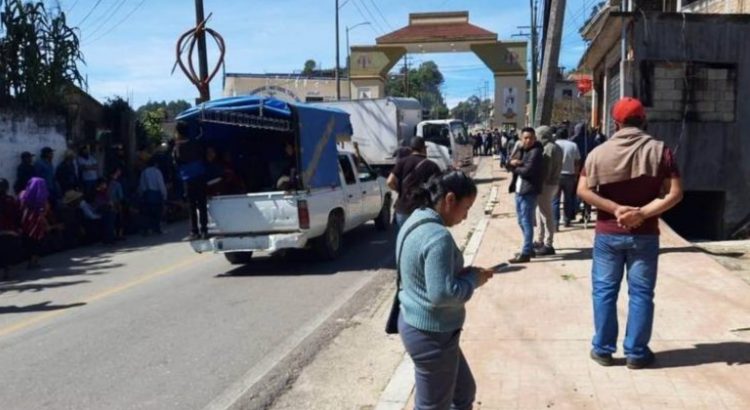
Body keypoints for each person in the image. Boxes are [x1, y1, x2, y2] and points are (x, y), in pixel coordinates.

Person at [577, 97, 683, 369]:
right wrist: (641, 214)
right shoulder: (661, 151)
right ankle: (636, 353)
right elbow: (675, 194)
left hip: (607, 234)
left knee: (604, 292)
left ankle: (602, 350)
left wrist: (614, 208)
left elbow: (582, 190)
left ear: (615, 123)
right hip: (645, 234)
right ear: (644, 120)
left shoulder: (598, 153)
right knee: (641, 294)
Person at [396, 171, 493, 410]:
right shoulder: (438, 236)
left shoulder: (415, 218)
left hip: (423, 327)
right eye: (466, 207)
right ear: (450, 199)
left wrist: (461, 274)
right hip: (431, 336)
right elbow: (442, 295)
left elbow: (424, 273)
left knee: (463, 392)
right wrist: (473, 280)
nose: (466, 215)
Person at [387, 137, 441, 231]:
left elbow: (389, 181)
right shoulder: (432, 165)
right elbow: (439, 189)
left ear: (411, 149)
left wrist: (399, 190)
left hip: (402, 209)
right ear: (424, 148)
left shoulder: (401, 162)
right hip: (423, 211)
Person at [508, 127, 543, 263]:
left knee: (526, 221)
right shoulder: (522, 150)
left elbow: (527, 171)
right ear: (521, 139)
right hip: (519, 190)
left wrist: (516, 165)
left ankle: (526, 252)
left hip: (529, 191)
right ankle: (529, 247)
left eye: (530, 138)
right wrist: (513, 163)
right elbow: (508, 163)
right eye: (525, 138)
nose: (528, 140)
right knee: (520, 221)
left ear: (535, 139)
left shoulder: (536, 152)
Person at [173, 121, 208, 239]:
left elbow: (176, 163)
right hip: (200, 176)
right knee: (202, 204)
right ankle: (204, 230)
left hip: (188, 178)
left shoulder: (177, 148)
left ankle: (194, 231)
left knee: (192, 206)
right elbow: (203, 156)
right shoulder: (196, 143)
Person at [534, 126, 563, 256]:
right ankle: (540, 240)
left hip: (546, 184)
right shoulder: (555, 146)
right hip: (552, 183)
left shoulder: (548, 148)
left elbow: (546, 169)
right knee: (540, 213)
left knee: (546, 214)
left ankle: (548, 244)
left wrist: (539, 181)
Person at [19, 177, 50, 269]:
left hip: (25, 221)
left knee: (28, 241)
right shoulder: (42, 196)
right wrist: (46, 223)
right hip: (37, 222)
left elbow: (19, 207)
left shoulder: (23, 194)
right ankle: (34, 261)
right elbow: (44, 211)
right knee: (37, 241)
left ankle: (30, 260)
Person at [554, 127, 582, 228]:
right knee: (568, 199)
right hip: (570, 175)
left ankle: (555, 222)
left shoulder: (554, 145)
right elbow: (577, 161)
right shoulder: (573, 145)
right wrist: (576, 174)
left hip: (556, 175)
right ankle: (567, 220)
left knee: (555, 199)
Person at [571, 122, 598, 223]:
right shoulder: (593, 141)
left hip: (579, 171)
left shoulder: (573, 141)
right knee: (588, 193)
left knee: (576, 192)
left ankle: (575, 212)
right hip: (589, 170)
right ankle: (586, 214)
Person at [138, 159, 167, 236]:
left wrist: (142, 194)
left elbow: (142, 185)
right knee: (157, 212)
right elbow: (161, 183)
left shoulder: (144, 172)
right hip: (157, 194)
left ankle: (147, 229)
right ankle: (156, 228)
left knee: (148, 213)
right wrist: (164, 194)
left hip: (147, 194)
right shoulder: (157, 171)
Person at [0, 178, 22, 280]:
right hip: (10, 231)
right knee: (8, 252)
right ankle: (7, 271)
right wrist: (18, 228)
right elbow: (17, 215)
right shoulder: (10, 200)